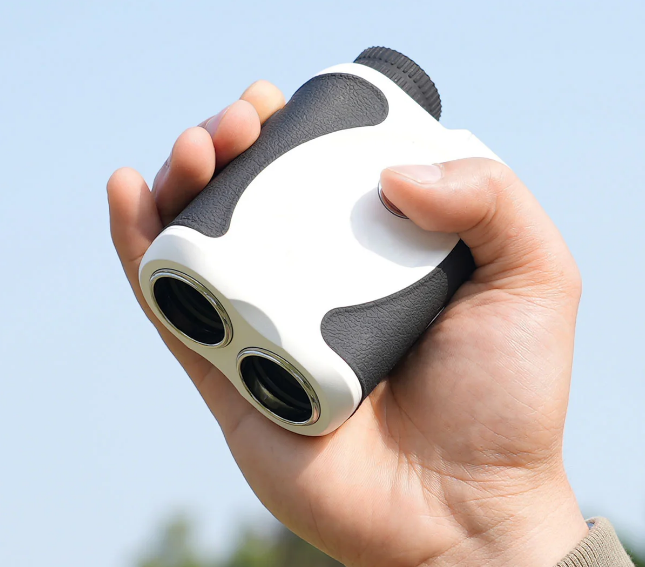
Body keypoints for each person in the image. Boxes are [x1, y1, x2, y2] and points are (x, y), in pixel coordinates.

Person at [107, 80, 635, 567]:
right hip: (313, 363)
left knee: (203, 224)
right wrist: (490, 537)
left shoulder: (430, 172)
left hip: (257, 307)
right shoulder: (390, 132)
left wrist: (488, 525)